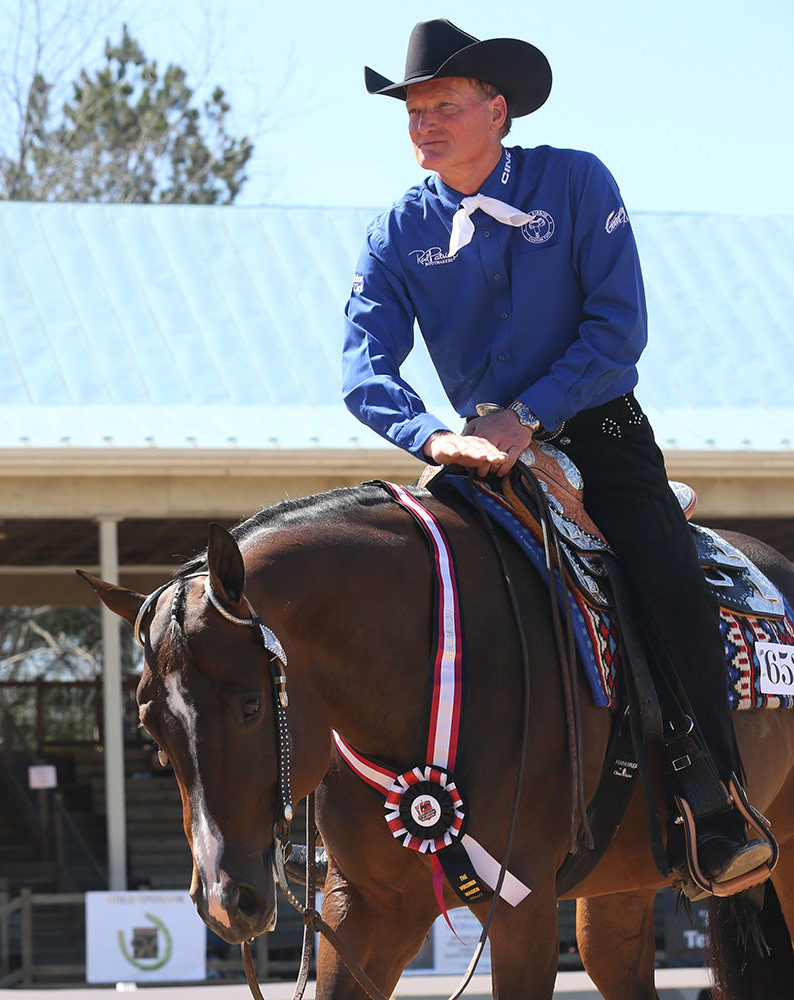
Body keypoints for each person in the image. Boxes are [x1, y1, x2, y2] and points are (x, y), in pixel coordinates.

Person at [341, 18, 771, 893]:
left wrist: (527, 416)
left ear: (497, 110)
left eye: (444, 106)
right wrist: (433, 436)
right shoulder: (396, 232)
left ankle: (716, 798)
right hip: (475, 449)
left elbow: (617, 333)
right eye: (413, 110)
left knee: (662, 575)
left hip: (599, 430)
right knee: (407, 578)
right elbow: (363, 364)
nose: (423, 123)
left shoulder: (575, 181)